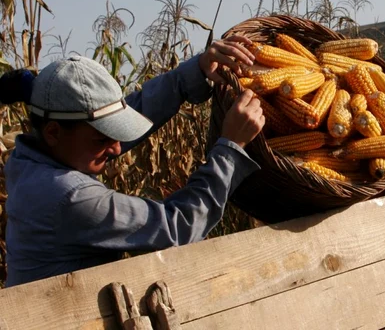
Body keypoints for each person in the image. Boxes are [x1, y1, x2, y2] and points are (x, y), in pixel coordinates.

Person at [0, 34, 265, 287]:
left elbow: (128, 112)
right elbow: (179, 226)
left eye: (116, 134)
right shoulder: (69, 198)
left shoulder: (34, 158)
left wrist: (195, 71)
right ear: (53, 132)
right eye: (102, 140)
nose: (117, 149)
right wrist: (230, 147)